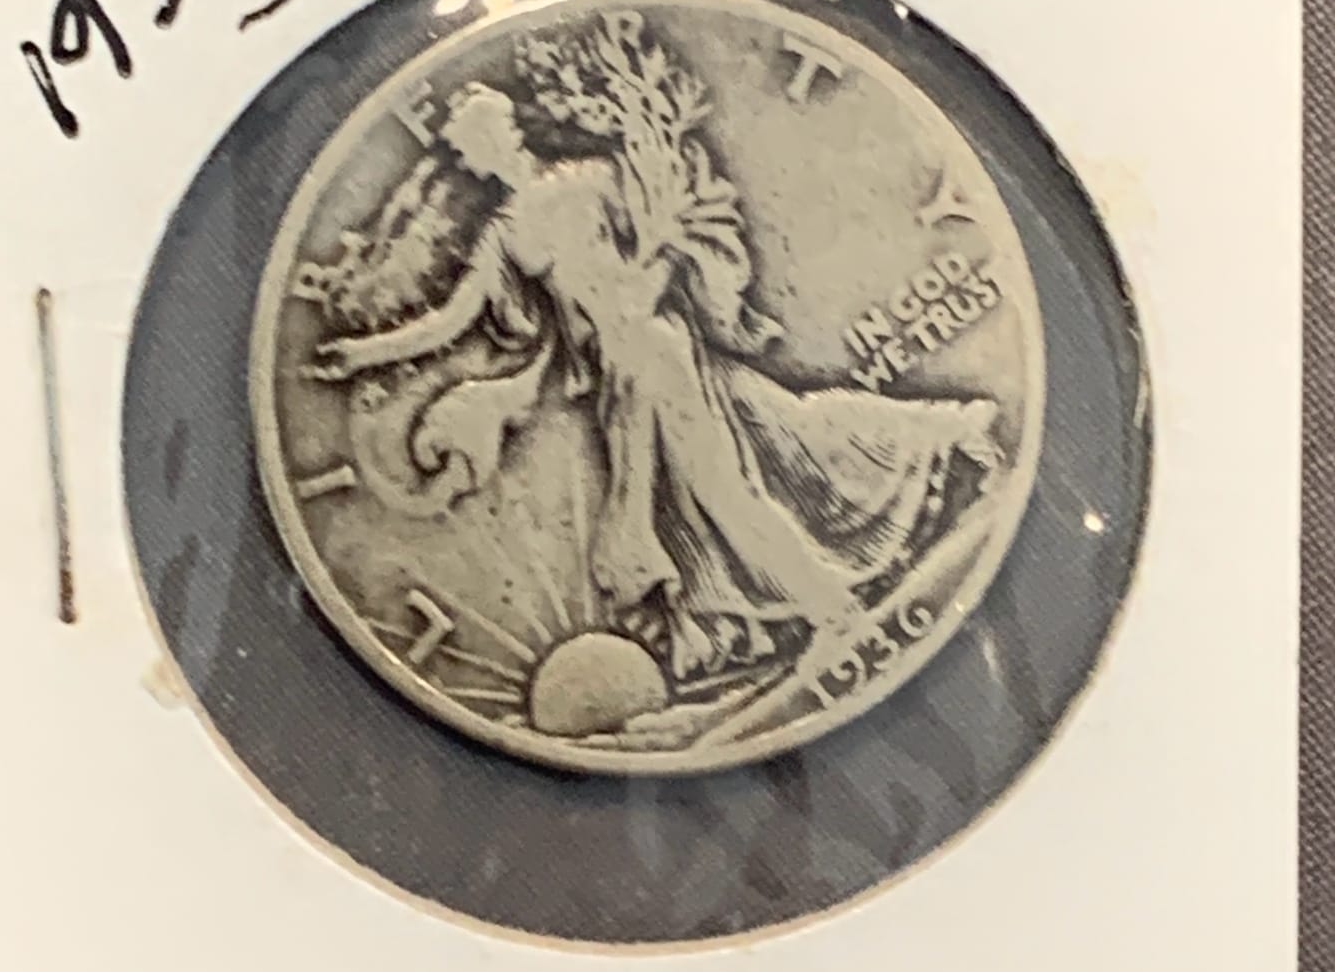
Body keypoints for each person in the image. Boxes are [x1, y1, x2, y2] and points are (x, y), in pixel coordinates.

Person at [311, 82, 999, 682]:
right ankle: (948, 431)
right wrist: (363, 355)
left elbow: (670, 240)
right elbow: (450, 322)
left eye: (471, 144)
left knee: (724, 492)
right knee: (782, 429)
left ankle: (835, 612)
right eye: (463, 152)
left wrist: (644, 292)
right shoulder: (505, 236)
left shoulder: (591, 179)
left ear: (502, 134)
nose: (468, 160)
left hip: (657, 350)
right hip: (620, 377)